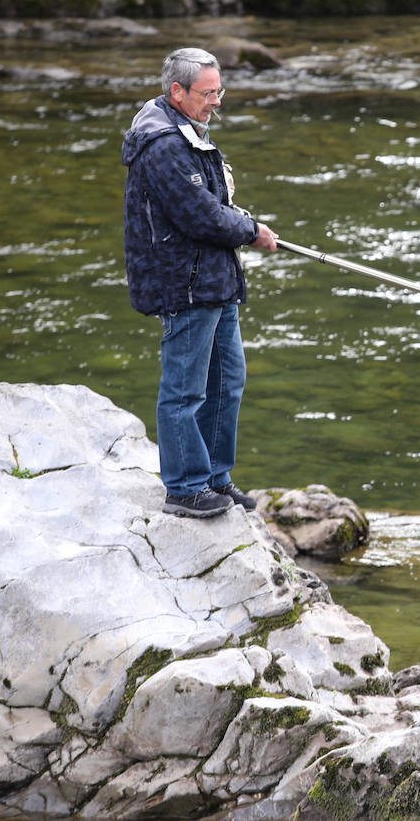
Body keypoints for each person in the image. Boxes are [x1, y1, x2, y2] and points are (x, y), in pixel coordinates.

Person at [121, 47, 279, 518]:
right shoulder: (164, 145)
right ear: (177, 91)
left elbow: (215, 203)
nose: (217, 102)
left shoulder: (190, 131)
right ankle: (185, 488)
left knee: (228, 382)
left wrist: (243, 223)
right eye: (208, 94)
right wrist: (253, 232)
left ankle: (213, 476)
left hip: (214, 280)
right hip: (185, 285)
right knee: (185, 390)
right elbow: (201, 216)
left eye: (219, 91)